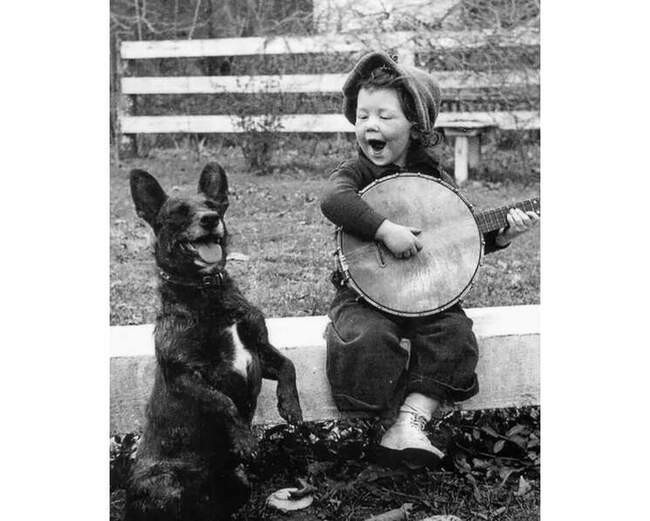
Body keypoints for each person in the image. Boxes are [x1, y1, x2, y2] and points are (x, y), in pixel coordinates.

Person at [320, 50, 539, 468]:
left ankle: (410, 421)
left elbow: (453, 238)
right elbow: (333, 200)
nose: (370, 125)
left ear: (416, 125)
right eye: (363, 116)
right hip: (364, 294)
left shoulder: (434, 180)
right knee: (366, 338)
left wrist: (503, 235)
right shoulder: (356, 172)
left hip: (425, 294)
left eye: (384, 116)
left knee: (454, 334)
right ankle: (378, 424)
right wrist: (385, 229)